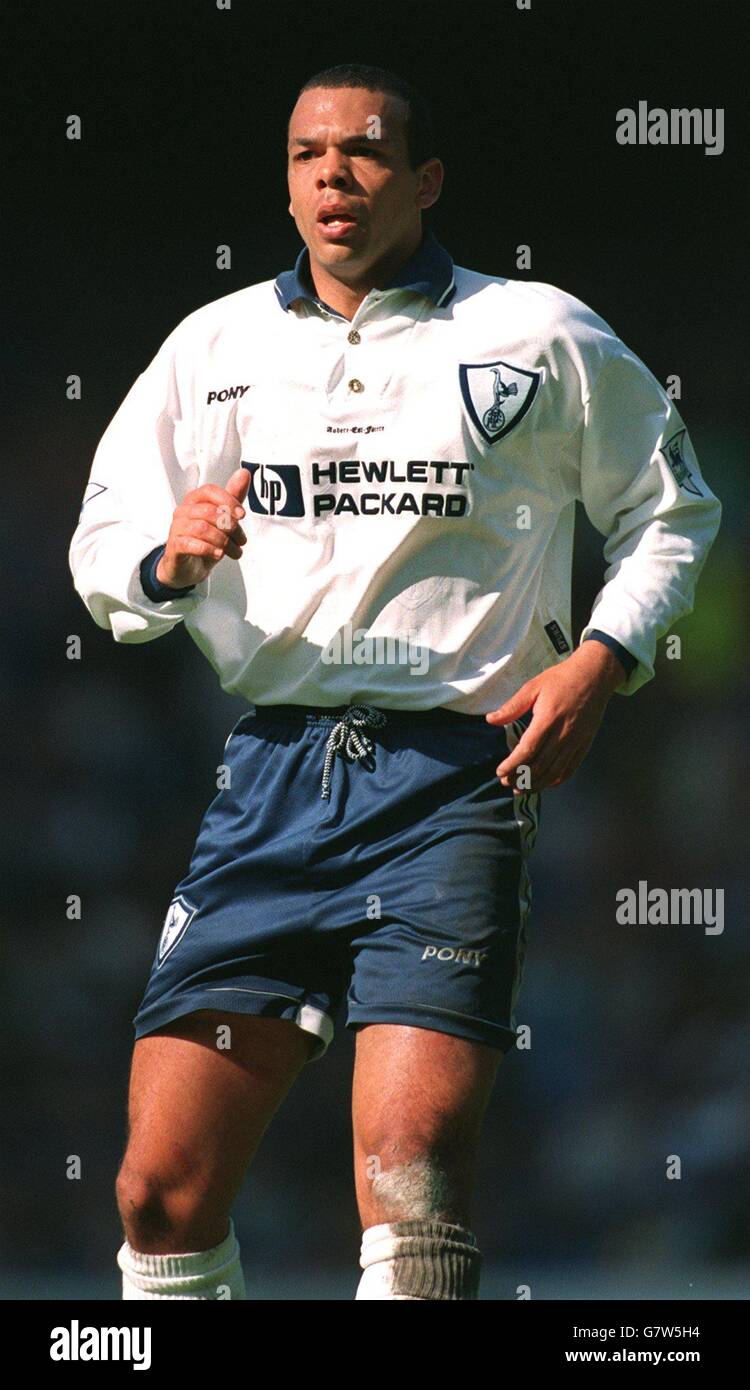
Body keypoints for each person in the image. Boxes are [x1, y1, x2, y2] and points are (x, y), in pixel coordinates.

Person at [68, 62, 721, 1301]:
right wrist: (168, 557)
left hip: (451, 786)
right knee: (159, 1192)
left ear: (425, 179)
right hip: (268, 784)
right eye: (310, 154)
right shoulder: (213, 348)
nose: (334, 176)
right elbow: (104, 558)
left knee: (412, 1166)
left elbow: (670, 508)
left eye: (364, 152)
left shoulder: (536, 331)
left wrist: (603, 653)